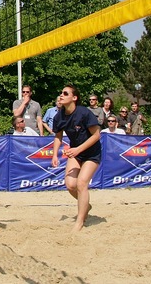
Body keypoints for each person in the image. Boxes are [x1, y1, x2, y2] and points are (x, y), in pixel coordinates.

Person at [51, 84, 102, 232]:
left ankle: (80, 222)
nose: (61, 95)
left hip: (91, 153)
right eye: (61, 93)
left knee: (81, 183)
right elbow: (58, 136)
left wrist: (78, 149)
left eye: (65, 93)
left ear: (74, 98)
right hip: (76, 152)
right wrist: (55, 154)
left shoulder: (84, 113)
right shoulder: (59, 116)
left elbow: (97, 135)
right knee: (70, 185)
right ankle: (86, 204)